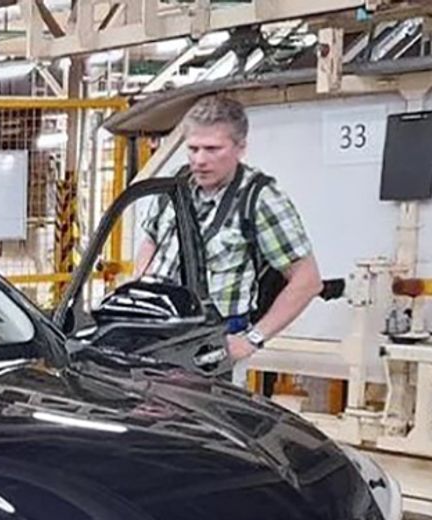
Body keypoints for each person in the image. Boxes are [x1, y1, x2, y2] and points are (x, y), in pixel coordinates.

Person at [135, 94, 322, 363]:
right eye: (193, 149)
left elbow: (307, 281)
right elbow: (151, 240)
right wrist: (137, 289)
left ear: (240, 148)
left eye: (212, 149)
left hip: (211, 349)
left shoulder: (259, 198)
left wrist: (252, 340)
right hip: (154, 338)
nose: (199, 160)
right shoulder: (176, 185)